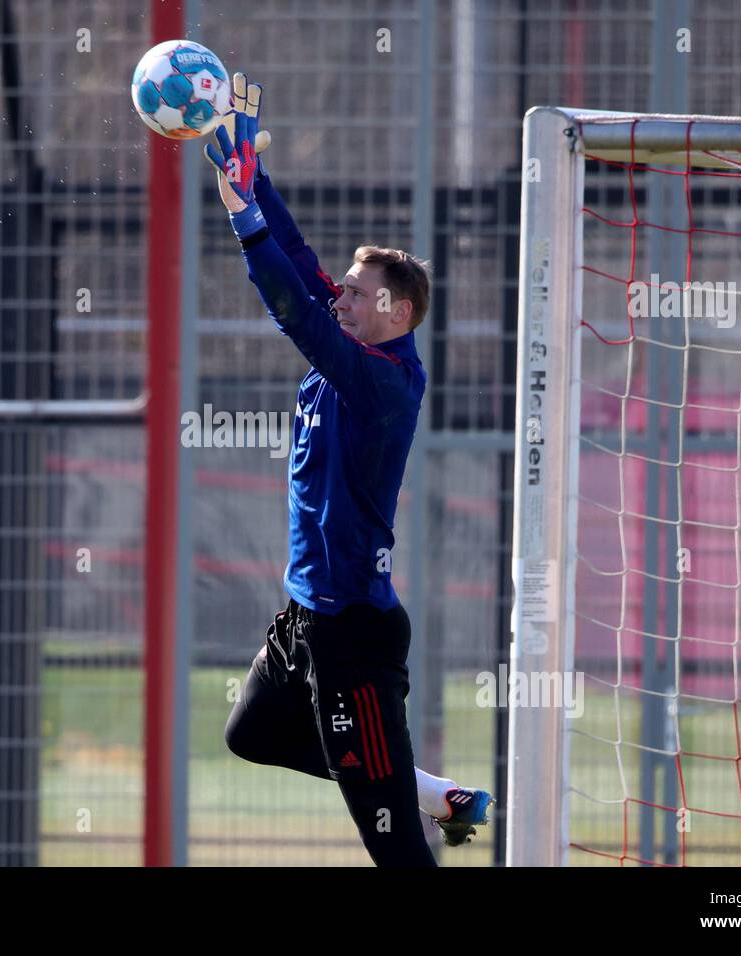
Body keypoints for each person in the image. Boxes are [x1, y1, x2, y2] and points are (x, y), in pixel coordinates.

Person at [209, 74, 493, 866]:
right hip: (308, 615)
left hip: (354, 637)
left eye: (358, 293)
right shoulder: (361, 335)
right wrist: (249, 172)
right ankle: (441, 796)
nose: (341, 298)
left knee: (397, 849)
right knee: (254, 731)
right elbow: (300, 268)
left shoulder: (380, 380)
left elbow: (293, 307)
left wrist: (240, 218)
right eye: (347, 289)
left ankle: (423, 805)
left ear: (395, 313)